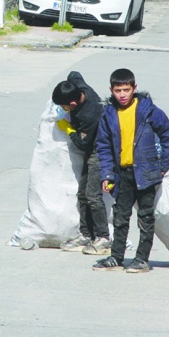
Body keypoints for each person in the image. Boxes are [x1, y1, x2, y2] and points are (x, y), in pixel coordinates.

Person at [92, 68, 169, 273]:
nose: (122, 94)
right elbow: (103, 146)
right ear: (111, 90)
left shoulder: (148, 110)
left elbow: (167, 135)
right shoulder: (108, 114)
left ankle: (142, 259)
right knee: (120, 217)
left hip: (146, 172)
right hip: (122, 175)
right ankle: (116, 257)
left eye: (126, 90)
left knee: (145, 217)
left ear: (134, 88)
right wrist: (107, 174)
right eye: (118, 90)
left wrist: (163, 165)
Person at [52, 71, 111, 255]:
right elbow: (74, 73)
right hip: (92, 148)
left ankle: (103, 238)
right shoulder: (80, 86)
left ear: (73, 103)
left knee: (93, 195)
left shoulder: (89, 114)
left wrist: (70, 130)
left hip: (99, 151)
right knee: (82, 194)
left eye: (65, 106)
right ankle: (86, 235)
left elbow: (83, 143)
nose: (64, 109)